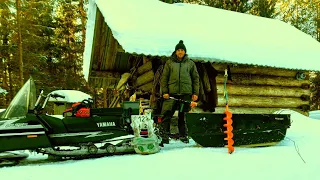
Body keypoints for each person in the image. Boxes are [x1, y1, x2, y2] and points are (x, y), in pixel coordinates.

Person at [159, 40, 200, 146]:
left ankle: (183, 135)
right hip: (171, 94)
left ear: (184, 52)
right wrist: (165, 91)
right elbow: (164, 78)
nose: (180, 52)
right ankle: (164, 136)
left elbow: (195, 79)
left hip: (185, 94)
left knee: (183, 115)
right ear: (175, 51)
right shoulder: (169, 63)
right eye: (178, 50)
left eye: (182, 50)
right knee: (167, 114)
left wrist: (195, 93)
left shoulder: (190, 63)